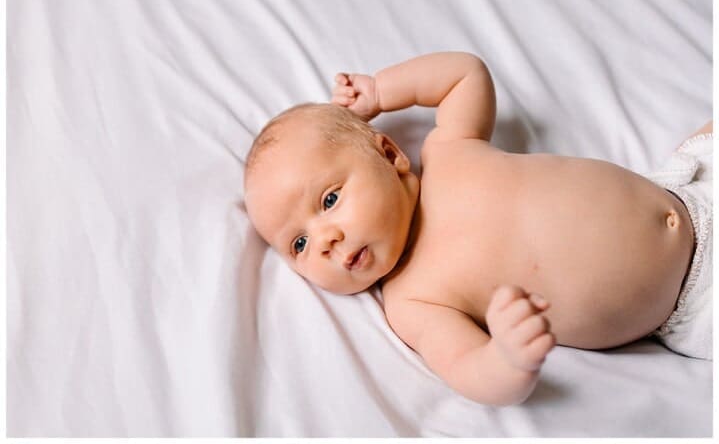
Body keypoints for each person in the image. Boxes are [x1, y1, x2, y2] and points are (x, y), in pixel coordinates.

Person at [244, 51, 712, 406]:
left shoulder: (449, 151)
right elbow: (465, 366)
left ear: (389, 155)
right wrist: (506, 359)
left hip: (685, 182)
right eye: (299, 243)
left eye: (329, 200)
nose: (324, 241)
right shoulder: (413, 302)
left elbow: (464, 74)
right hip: (695, 300)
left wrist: (381, 91)